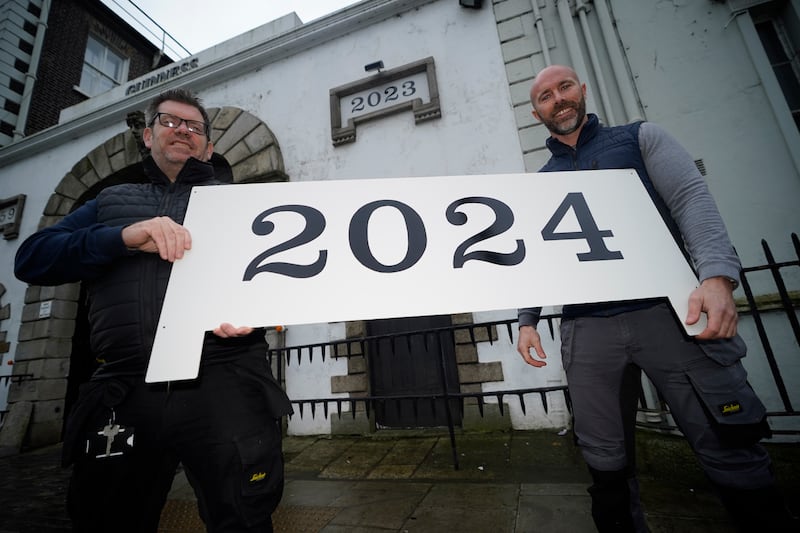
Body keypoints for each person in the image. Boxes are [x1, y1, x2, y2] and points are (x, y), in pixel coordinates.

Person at [516, 65, 796, 532]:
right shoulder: (540, 181)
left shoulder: (641, 138)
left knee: (730, 447)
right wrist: (527, 318)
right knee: (604, 459)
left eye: (565, 87)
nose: (558, 99)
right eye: (545, 96)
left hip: (670, 314)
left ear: (582, 90)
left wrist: (718, 277)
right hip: (588, 327)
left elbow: (691, 199)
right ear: (536, 111)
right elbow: (539, 257)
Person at [15, 88, 293, 532]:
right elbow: (32, 258)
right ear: (147, 135)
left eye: (194, 126)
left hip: (223, 379)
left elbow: (280, 281)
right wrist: (122, 237)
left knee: (243, 514)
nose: (182, 129)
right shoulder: (107, 204)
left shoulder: (244, 206)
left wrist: (254, 317)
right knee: (108, 517)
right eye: (169, 121)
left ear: (209, 146)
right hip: (125, 388)